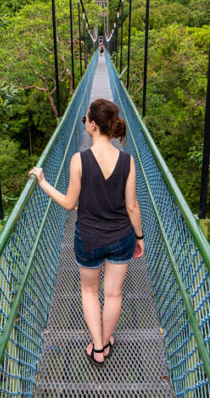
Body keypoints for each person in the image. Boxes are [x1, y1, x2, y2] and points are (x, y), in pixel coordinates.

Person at [29, 98, 144, 367]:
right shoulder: (128, 160)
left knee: (90, 293)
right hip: (121, 238)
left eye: (85, 121)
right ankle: (105, 338)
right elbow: (132, 206)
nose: (84, 125)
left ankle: (99, 348)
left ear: (92, 125)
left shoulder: (78, 160)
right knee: (114, 294)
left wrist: (43, 183)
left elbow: (70, 204)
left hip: (88, 239)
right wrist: (139, 238)